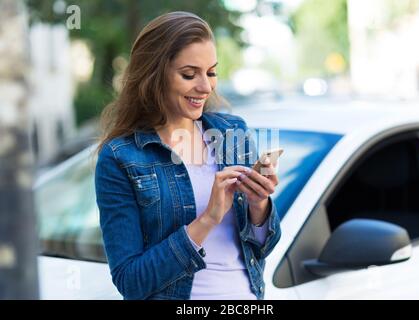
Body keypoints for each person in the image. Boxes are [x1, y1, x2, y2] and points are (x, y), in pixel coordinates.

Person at [95, 11, 281, 300]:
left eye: (211, 72)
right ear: (154, 74)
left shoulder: (234, 133)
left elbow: (263, 247)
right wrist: (208, 218)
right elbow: (130, 281)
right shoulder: (121, 157)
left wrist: (259, 206)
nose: (205, 87)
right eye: (189, 74)